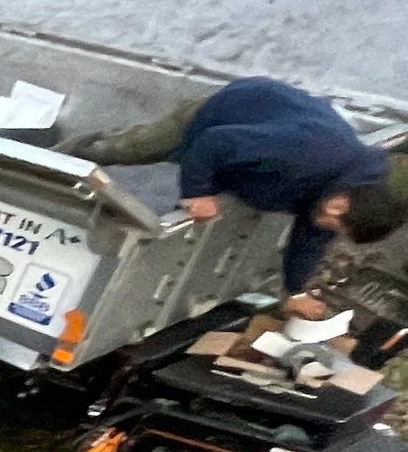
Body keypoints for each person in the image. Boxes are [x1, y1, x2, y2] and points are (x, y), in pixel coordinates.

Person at [83, 78, 399, 298]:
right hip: (229, 112)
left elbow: (309, 241)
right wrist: (196, 193)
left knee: (205, 162)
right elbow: (215, 142)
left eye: (339, 223)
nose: (330, 217)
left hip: (258, 144)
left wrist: (295, 291)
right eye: (337, 212)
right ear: (347, 197)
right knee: (134, 150)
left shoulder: (342, 198)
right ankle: (78, 152)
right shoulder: (305, 156)